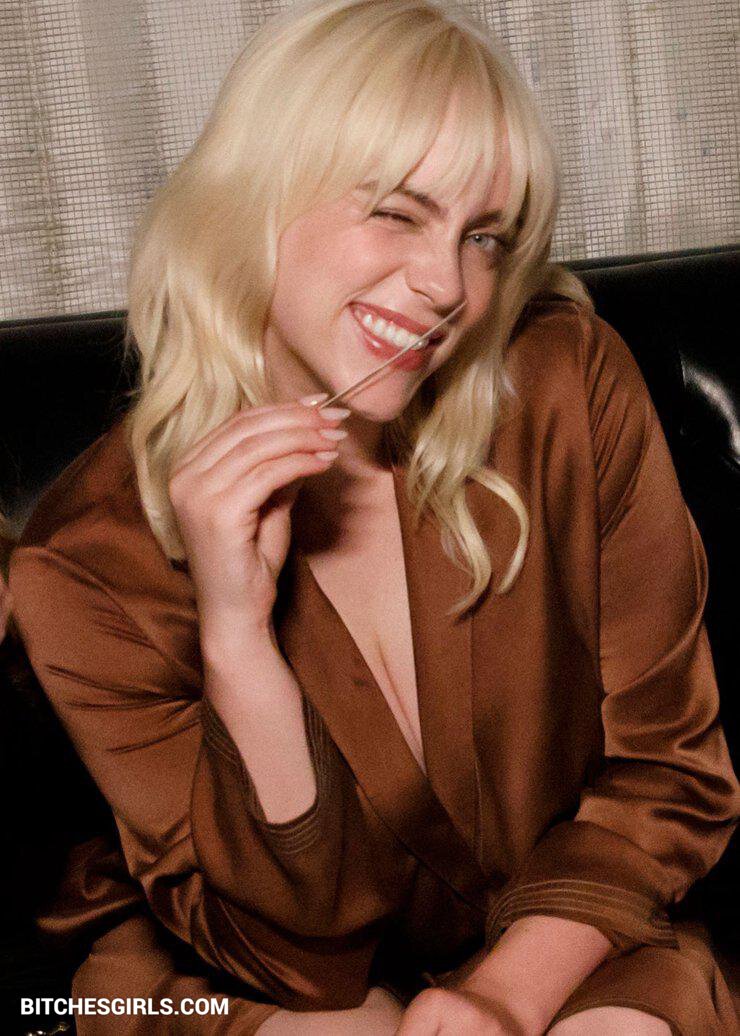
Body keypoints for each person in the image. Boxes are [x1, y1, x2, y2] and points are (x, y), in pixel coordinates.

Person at [8, 1, 740, 1033]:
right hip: (243, 967)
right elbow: (299, 962)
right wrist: (237, 640)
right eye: (397, 213)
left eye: (482, 237)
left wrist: (504, 996)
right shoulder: (87, 560)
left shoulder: (565, 388)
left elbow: (666, 777)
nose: (447, 286)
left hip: (567, 918)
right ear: (255, 196)